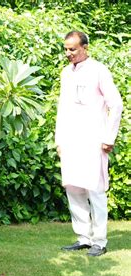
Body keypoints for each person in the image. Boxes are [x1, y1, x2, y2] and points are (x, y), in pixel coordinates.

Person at [55, 31, 123, 257]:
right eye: (66, 49)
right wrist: (59, 140)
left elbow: (116, 104)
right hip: (71, 140)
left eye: (72, 49)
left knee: (95, 190)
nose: (68, 53)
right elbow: (62, 109)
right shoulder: (66, 73)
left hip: (94, 139)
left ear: (85, 47)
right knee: (73, 188)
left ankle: (99, 241)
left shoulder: (99, 70)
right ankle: (83, 237)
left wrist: (108, 138)